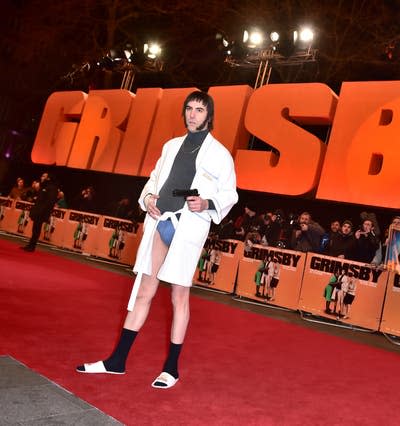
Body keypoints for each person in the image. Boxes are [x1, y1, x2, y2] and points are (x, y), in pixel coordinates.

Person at [76, 90, 238, 390]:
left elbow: (230, 194)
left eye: (199, 110)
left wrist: (207, 203)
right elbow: (153, 180)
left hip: (188, 226)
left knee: (179, 297)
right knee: (144, 291)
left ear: (209, 115)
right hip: (160, 222)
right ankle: (117, 362)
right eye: (189, 109)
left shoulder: (220, 154)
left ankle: (171, 369)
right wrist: (148, 197)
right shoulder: (171, 145)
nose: (192, 114)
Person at [21, 172, 59, 252]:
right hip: (37, 210)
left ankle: (32, 246)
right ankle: (31, 245)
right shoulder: (43, 186)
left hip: (42, 212)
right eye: (42, 176)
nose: (41, 177)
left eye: (44, 176)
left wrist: (43, 211)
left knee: (37, 229)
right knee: (35, 229)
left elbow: (50, 202)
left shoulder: (52, 188)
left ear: (48, 178)